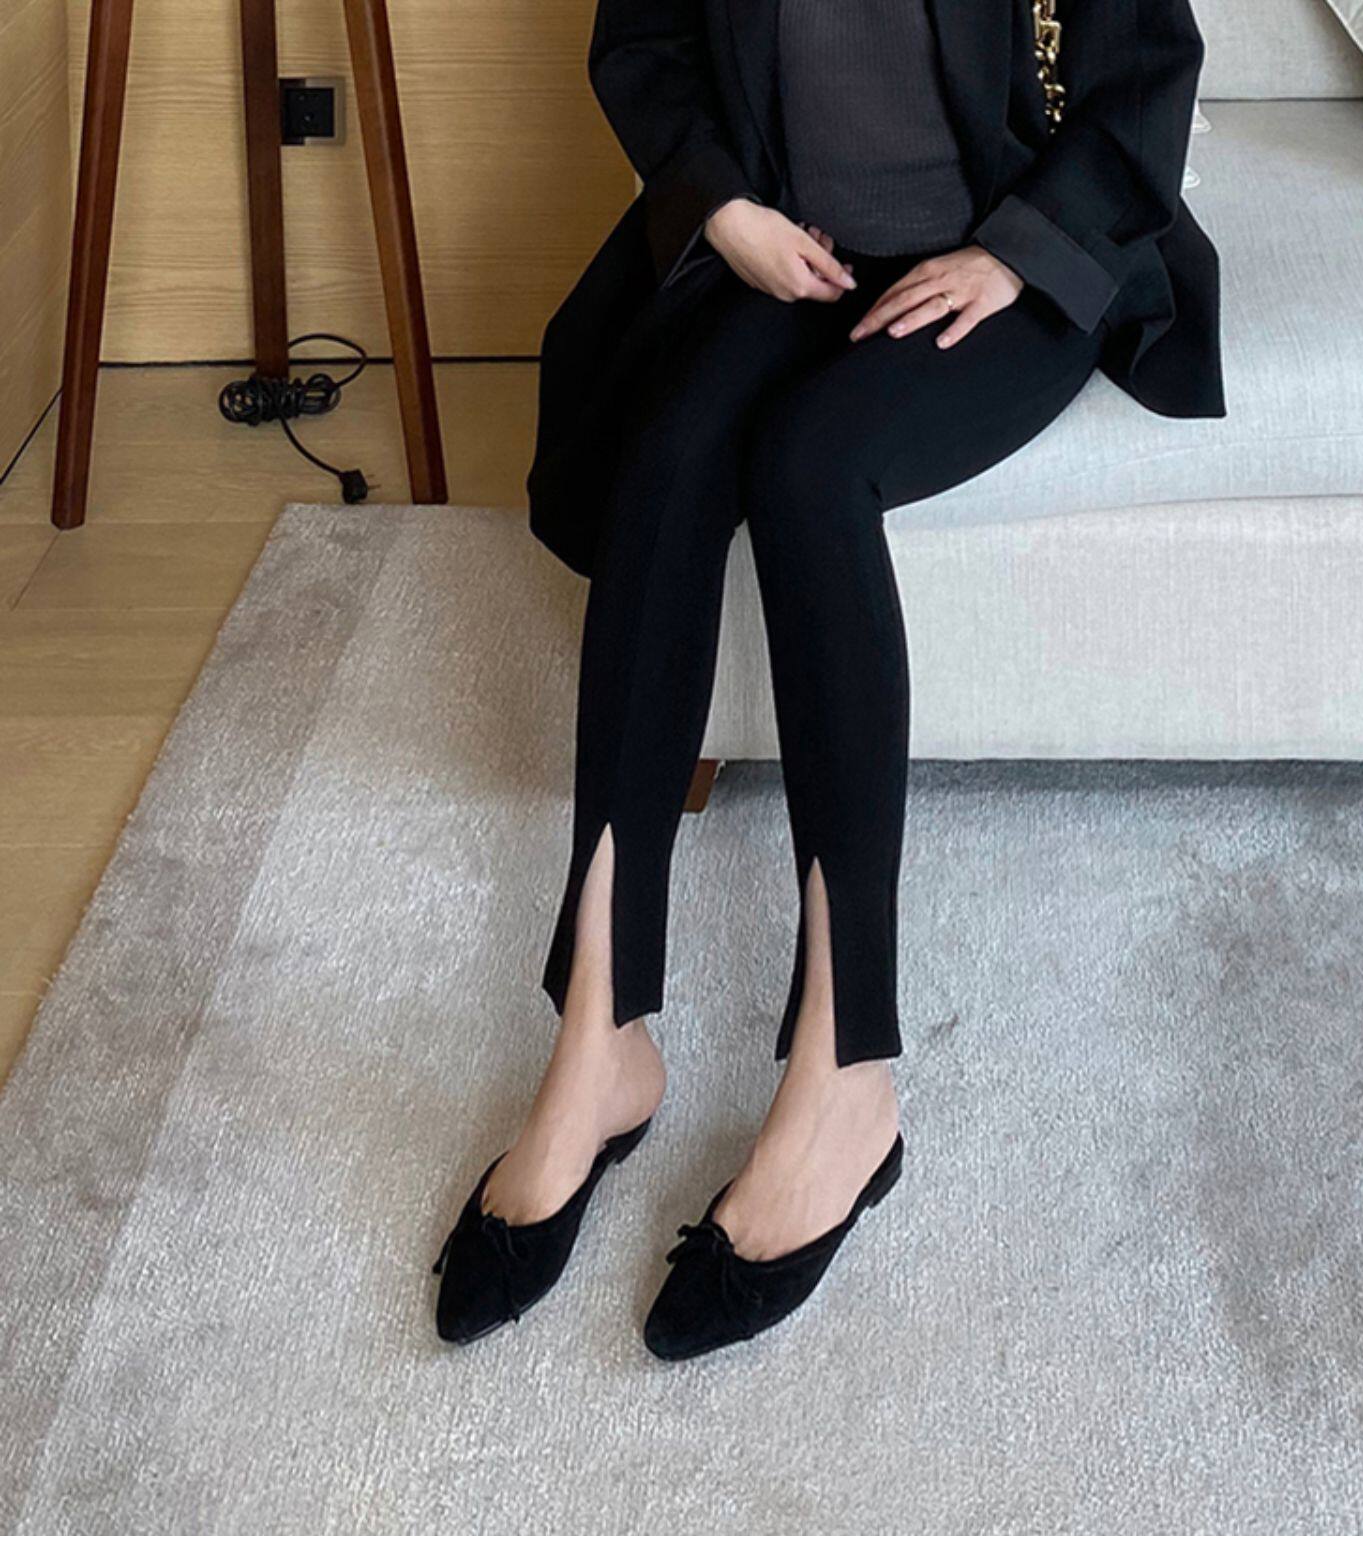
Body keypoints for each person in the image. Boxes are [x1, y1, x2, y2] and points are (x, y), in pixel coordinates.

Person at [432, 0, 1225, 1362]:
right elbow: (646, 40)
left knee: (809, 470)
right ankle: (599, 1036)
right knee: (665, 461)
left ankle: (849, 1075)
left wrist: (1018, 251)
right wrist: (721, 207)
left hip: (1000, 254)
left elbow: (1144, 65)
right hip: (786, 248)